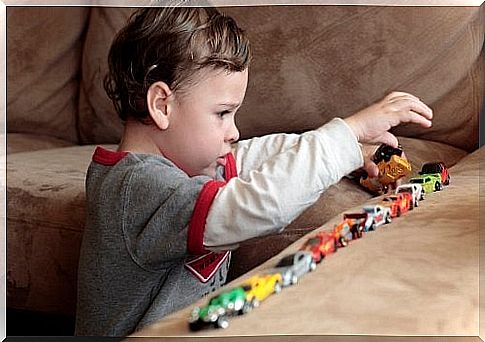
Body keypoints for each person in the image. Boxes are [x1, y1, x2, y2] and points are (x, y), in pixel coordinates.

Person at [75, 6, 433, 336]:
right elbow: (260, 205)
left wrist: (354, 154)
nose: (234, 131)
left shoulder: (189, 166)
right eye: (222, 113)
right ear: (162, 105)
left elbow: (256, 155)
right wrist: (348, 131)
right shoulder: (136, 188)